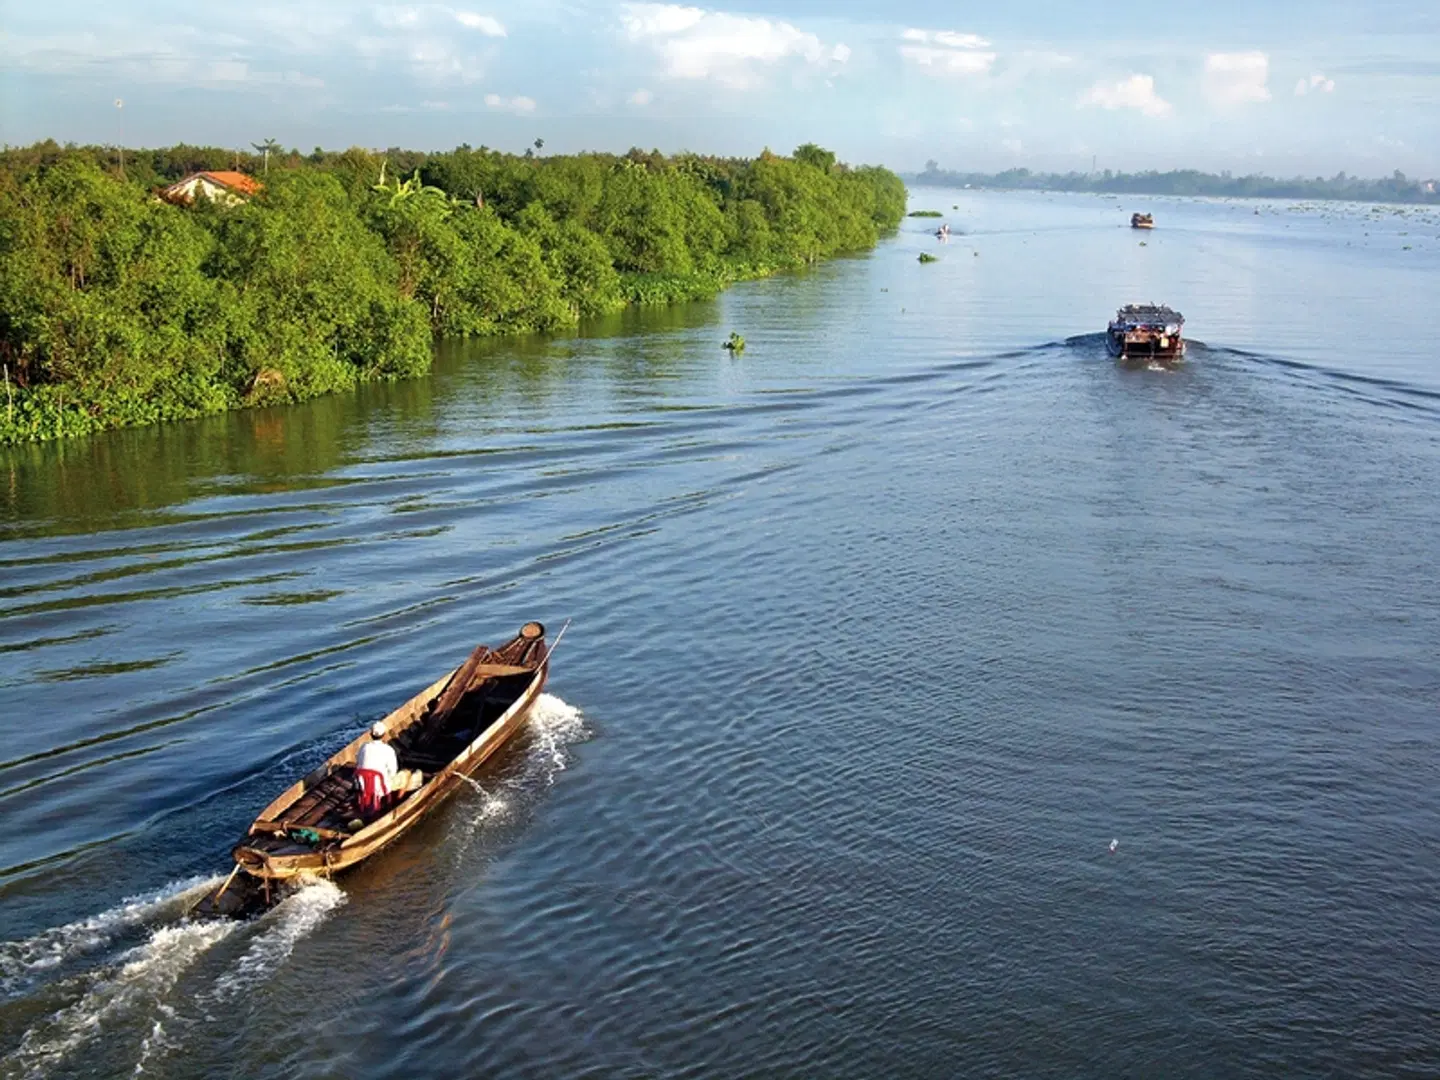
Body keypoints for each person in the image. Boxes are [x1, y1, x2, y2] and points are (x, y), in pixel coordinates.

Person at [355, 721, 405, 815]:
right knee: (406, 775)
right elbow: (393, 771)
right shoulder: (388, 750)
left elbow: (358, 763)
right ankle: (396, 803)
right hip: (381, 787)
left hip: (362, 786)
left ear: (371, 734)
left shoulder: (363, 747)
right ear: (384, 735)